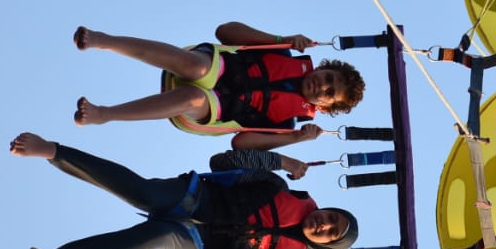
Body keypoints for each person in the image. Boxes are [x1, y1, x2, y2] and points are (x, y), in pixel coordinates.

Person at [10, 132, 358, 249]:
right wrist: (279, 161)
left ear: (324, 245)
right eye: (330, 217)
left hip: (194, 244)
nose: (323, 224)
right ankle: (53, 151)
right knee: (142, 192)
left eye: (330, 232)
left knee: (152, 237)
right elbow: (224, 160)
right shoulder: (276, 186)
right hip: (195, 197)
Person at [72, 23, 365, 161]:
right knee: (197, 68)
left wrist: (294, 138)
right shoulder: (286, 53)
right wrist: (282, 39)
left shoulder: (287, 125)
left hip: (215, 109)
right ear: (322, 66)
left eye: (329, 92)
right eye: (328, 77)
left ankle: (104, 114)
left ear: (324, 108)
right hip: (217, 66)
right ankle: (104, 40)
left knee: (193, 98)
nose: (322, 85)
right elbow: (225, 32)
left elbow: (241, 143)